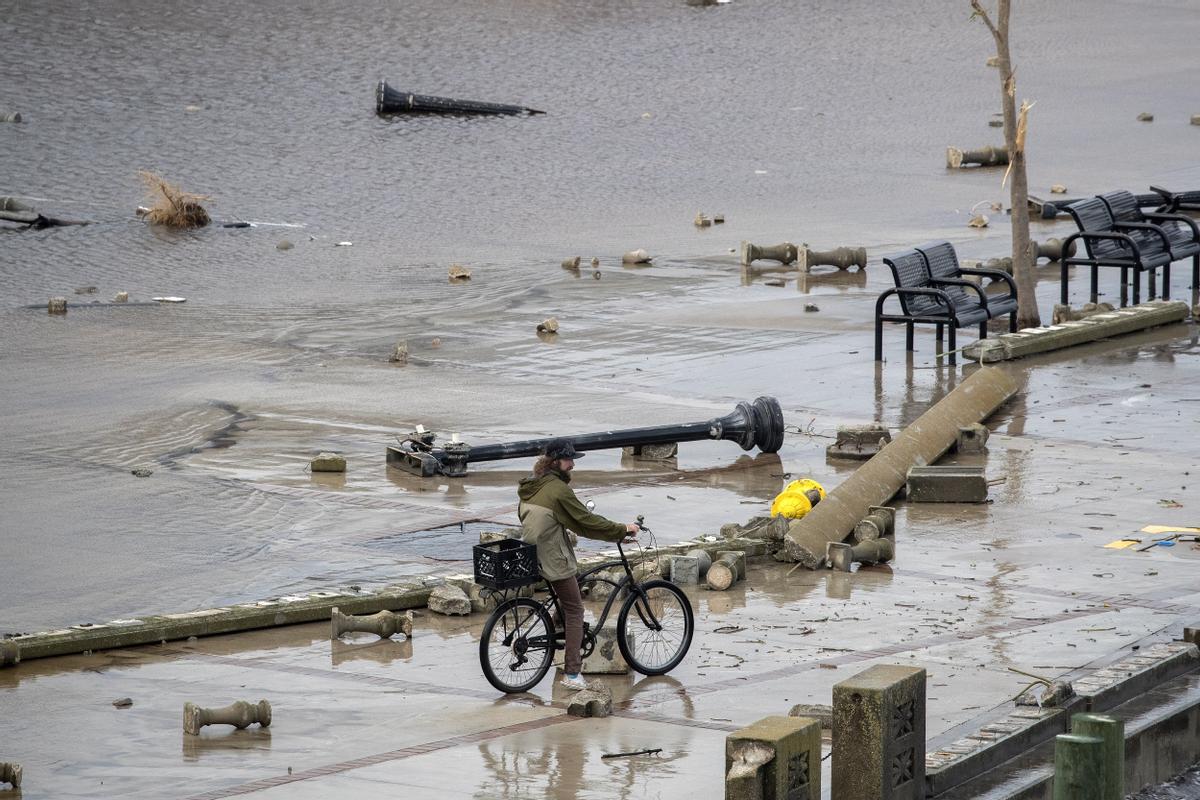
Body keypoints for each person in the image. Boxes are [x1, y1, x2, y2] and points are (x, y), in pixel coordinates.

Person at [517, 438, 640, 691]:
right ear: (556, 462)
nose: (572, 464)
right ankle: (572, 673)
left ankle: (556, 628)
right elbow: (586, 522)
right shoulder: (559, 491)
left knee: (573, 584)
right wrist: (622, 529)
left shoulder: (533, 484)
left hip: (532, 551)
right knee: (575, 611)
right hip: (551, 557)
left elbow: (567, 522)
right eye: (569, 460)